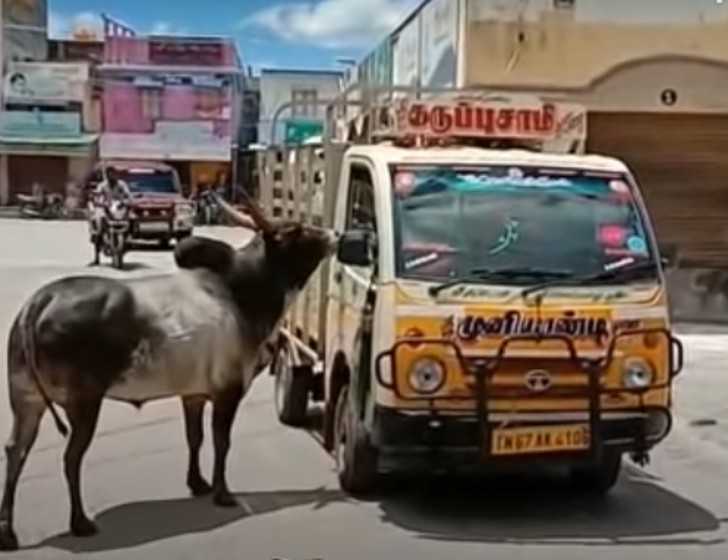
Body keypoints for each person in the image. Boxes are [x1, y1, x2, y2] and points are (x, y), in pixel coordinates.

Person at [89, 166, 132, 266]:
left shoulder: (122, 185)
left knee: (131, 219)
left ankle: (129, 238)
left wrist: (126, 202)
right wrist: (98, 201)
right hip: (106, 208)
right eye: (109, 174)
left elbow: (128, 196)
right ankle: (96, 257)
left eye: (114, 174)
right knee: (97, 222)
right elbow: (97, 195)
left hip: (118, 208)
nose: (112, 176)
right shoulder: (103, 186)